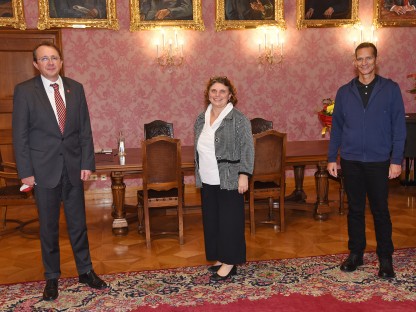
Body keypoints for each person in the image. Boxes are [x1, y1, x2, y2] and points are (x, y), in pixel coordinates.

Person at [12, 42, 107, 301]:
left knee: (79, 224)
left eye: (54, 57)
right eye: (44, 58)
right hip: (42, 171)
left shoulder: (75, 88)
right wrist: (26, 172)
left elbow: (84, 130)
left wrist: (87, 163)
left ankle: (85, 271)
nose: (50, 62)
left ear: (61, 61)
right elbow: (19, 136)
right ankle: (51, 277)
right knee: (48, 227)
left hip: (74, 168)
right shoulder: (24, 91)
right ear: (36, 64)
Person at [327, 42, 406, 279]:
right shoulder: (344, 91)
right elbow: (337, 128)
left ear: (376, 60)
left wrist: (396, 160)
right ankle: (356, 254)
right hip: (351, 160)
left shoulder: (391, 89)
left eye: (368, 58)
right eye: (360, 59)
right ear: (355, 62)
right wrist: (333, 157)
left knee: (381, 211)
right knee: (355, 210)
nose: (364, 63)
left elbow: (399, 127)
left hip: (379, 160)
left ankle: (385, 258)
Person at [194, 76, 254, 281]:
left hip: (230, 177)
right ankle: (220, 257)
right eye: (213, 91)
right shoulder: (201, 118)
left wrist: (244, 175)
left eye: (222, 91)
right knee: (213, 220)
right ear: (208, 94)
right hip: (207, 177)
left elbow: (247, 148)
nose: (217, 95)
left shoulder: (239, 119)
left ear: (230, 95)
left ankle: (230, 262)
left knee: (230, 221)